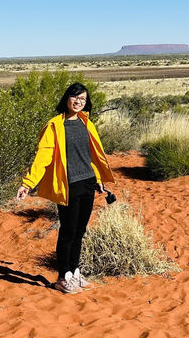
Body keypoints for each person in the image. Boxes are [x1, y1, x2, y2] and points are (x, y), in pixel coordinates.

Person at [16, 82, 115, 293]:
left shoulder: (86, 122)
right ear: (66, 98)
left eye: (83, 99)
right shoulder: (54, 126)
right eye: (75, 97)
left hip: (87, 181)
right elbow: (42, 157)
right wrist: (28, 183)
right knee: (68, 231)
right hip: (68, 185)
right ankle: (62, 277)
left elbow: (92, 155)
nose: (79, 102)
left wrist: (98, 178)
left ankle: (75, 273)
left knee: (80, 231)